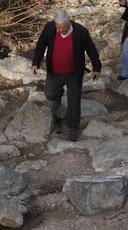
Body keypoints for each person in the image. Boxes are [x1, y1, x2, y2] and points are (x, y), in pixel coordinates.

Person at [31, 10, 101, 141]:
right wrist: (36, 62)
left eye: (63, 27)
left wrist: (97, 67)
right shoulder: (50, 28)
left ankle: (73, 129)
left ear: (69, 22)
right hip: (55, 71)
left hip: (74, 72)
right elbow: (41, 45)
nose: (60, 30)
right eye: (58, 27)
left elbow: (91, 49)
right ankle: (57, 107)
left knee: (74, 99)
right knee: (50, 93)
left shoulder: (80, 31)